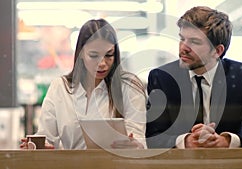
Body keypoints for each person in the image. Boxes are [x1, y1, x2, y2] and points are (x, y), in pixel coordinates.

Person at [146, 6, 242, 149]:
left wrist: (225, 141)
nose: (183, 48)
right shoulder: (162, 78)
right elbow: (151, 138)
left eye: (195, 42)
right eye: (182, 39)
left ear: (217, 51)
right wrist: (185, 142)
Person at [20, 19, 147, 149]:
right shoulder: (60, 88)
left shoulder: (129, 88)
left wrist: (135, 145)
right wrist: (36, 146)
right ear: (81, 54)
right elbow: (46, 137)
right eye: (94, 55)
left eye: (109, 55)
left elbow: (138, 138)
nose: (102, 63)